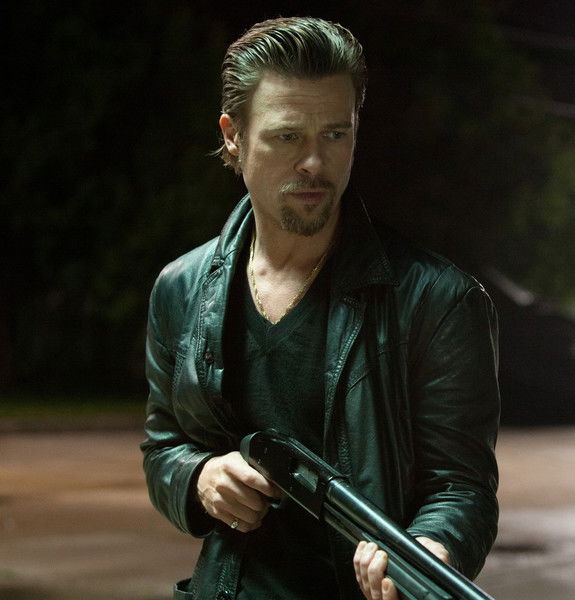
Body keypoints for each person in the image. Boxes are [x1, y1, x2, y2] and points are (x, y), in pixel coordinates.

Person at [141, 16, 500, 600]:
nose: (314, 162)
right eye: (287, 137)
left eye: (335, 134)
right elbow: (164, 447)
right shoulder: (180, 288)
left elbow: (462, 487)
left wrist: (431, 553)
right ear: (233, 136)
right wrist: (198, 477)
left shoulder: (439, 300)